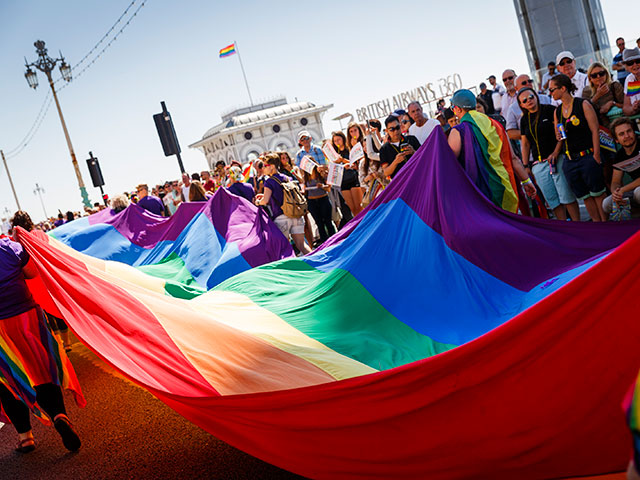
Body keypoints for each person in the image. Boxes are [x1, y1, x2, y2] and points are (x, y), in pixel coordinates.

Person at [1, 223, 83, 453]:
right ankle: (59, 415)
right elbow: (32, 272)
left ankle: (25, 436)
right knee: (43, 370)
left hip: (1, 333)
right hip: (29, 318)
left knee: (9, 380)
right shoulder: (10, 247)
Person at [447, 89, 536, 213]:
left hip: (480, 193)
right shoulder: (496, 125)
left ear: (457, 109)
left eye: (452, 108)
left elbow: (449, 164)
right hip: (504, 189)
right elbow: (514, 158)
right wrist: (526, 181)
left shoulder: (458, 131)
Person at [550, 74, 607, 221]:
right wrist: (558, 136)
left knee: (598, 194)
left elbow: (595, 130)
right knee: (585, 196)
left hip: (587, 155)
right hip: (570, 160)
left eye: (552, 89)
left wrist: (596, 155)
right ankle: (596, 225)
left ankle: (606, 224)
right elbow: (560, 137)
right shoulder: (557, 111)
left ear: (563, 88)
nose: (551, 93)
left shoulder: (583, 104)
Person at [518, 87, 579, 220]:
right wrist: (526, 165)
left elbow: (562, 134)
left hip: (556, 159)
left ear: (536, 96)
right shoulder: (524, 120)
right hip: (538, 165)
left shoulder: (551, 110)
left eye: (531, 97)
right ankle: (564, 229)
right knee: (552, 201)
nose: (529, 101)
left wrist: (556, 152)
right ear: (521, 105)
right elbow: (526, 144)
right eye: (524, 100)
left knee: (566, 196)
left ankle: (578, 225)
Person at [256, 154, 311, 254]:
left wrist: (258, 201)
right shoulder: (287, 178)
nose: (263, 168)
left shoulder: (269, 181)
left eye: (265, 165)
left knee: (284, 248)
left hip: (281, 218)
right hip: (296, 215)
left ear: (272, 166)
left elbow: (265, 201)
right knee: (302, 245)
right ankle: (315, 264)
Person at [602, 117, 640, 216]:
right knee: (607, 204)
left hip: (637, 190)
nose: (627, 136)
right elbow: (615, 181)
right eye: (621, 134)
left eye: (629, 131)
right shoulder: (620, 156)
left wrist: (623, 189)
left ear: (634, 132)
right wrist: (616, 193)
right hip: (633, 189)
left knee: (638, 193)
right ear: (617, 140)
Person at [506, 74, 553, 141]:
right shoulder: (513, 108)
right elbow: (510, 133)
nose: (528, 84)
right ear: (516, 88)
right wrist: (531, 132)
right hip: (531, 147)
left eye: (530, 81)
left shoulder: (546, 99)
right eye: (524, 83)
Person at [582, 62, 624, 128]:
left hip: (619, 124)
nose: (598, 77)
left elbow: (626, 106)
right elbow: (584, 111)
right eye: (594, 75)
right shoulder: (587, 91)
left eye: (601, 74)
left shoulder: (615, 86)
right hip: (600, 128)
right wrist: (598, 95)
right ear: (590, 78)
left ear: (606, 74)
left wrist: (612, 103)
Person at [379, 115, 421, 180]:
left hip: (418, 177)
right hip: (401, 184)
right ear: (387, 131)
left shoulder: (412, 139)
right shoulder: (384, 149)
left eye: (397, 127)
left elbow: (424, 158)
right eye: (392, 129)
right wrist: (395, 162)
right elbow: (386, 173)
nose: (396, 131)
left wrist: (413, 152)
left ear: (400, 126)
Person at [302, 164, 335, 244]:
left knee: (328, 222)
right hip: (312, 202)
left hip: (323, 199)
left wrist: (322, 186)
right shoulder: (306, 178)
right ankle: (325, 242)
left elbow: (329, 188)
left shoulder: (321, 175)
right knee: (319, 223)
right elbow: (305, 191)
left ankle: (334, 240)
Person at [622, 48, 640, 116]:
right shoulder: (630, 79)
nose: (635, 65)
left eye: (638, 61)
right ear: (626, 67)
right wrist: (633, 108)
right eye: (630, 63)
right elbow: (626, 108)